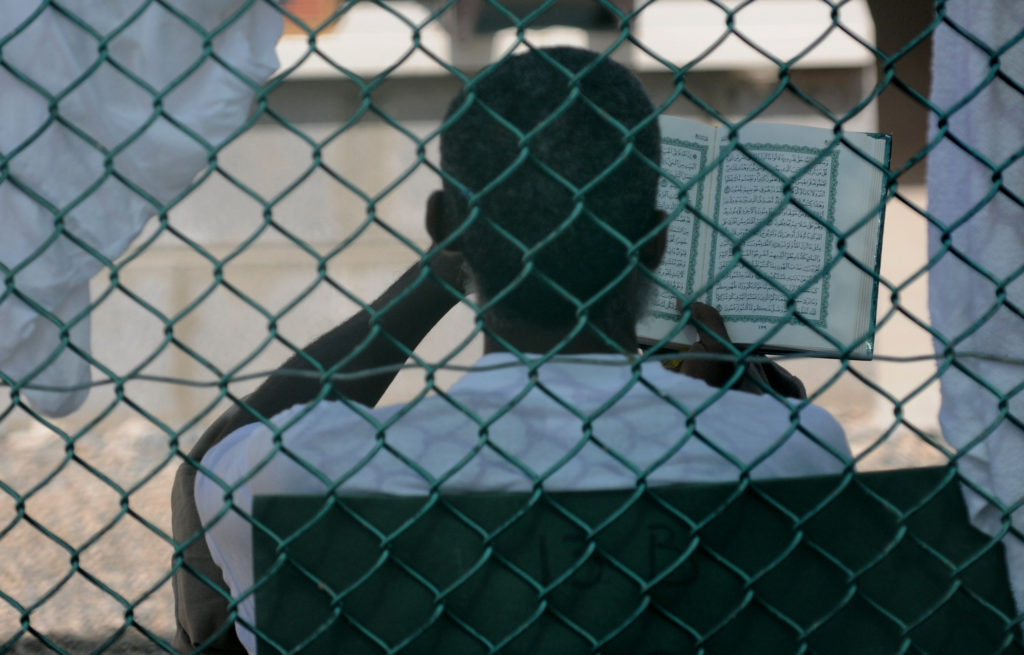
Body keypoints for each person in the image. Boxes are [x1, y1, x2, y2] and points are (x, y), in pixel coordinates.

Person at [170, 46, 850, 654]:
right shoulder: (792, 449)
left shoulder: (295, 471)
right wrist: (732, 393)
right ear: (656, 244)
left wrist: (433, 280)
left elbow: (210, 464)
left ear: (444, 228)